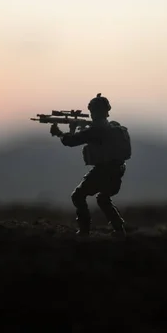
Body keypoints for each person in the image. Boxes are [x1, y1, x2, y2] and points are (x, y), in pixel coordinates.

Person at [50, 93, 131, 237]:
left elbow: (70, 141)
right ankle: (119, 230)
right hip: (117, 171)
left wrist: (61, 132)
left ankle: (84, 231)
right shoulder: (112, 126)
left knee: (78, 196)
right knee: (103, 198)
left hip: (104, 171)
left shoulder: (96, 130)